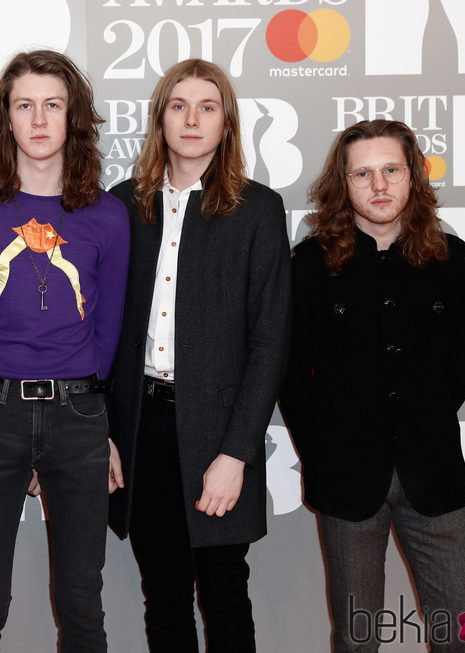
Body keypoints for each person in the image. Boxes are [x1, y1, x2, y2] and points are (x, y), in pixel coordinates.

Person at [0, 49, 129, 652]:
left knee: (82, 601)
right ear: (7, 118)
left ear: (74, 118)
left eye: (53, 105)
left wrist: (98, 421)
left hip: (79, 418)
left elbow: (109, 330)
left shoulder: (107, 214)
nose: (40, 119)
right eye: (25, 105)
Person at [280, 119, 465, 652]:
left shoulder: (451, 261)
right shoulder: (306, 268)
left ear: (414, 176)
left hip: (436, 474)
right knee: (358, 641)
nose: (378, 185)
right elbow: (292, 377)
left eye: (391, 170)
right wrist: (325, 451)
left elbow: (463, 365)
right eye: (362, 173)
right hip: (347, 481)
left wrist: (423, 424)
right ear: (341, 184)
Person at [107, 59, 291, 652]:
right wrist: (106, 433)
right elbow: (100, 330)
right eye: (178, 105)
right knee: (162, 596)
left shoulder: (257, 209)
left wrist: (236, 453)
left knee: (224, 594)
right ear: (160, 119)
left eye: (207, 107)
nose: (191, 119)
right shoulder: (122, 207)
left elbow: (270, 340)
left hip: (218, 431)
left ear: (226, 123)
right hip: (142, 429)